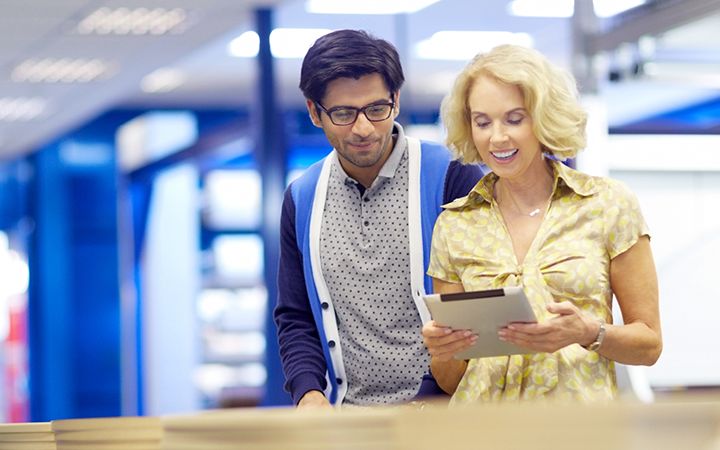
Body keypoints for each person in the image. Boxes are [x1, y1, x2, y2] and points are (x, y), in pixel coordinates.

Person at [422, 44, 662, 404]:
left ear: (543, 117)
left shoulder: (607, 205)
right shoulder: (455, 224)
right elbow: (452, 381)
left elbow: (649, 345)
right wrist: (442, 350)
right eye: (482, 122)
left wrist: (587, 332)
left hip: (578, 431)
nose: (497, 137)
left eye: (514, 119)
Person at [273, 29, 483, 408]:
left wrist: (431, 396)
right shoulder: (302, 197)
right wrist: (308, 392)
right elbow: (296, 316)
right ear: (314, 112)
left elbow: (479, 304)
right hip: (347, 422)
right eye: (342, 113)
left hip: (446, 415)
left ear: (396, 100)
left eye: (376, 109)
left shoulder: (454, 177)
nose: (363, 128)